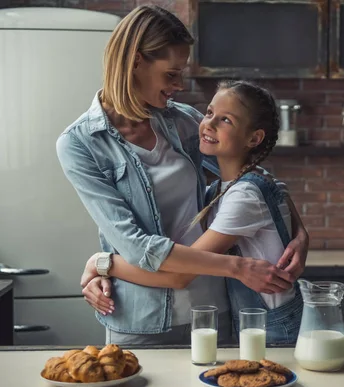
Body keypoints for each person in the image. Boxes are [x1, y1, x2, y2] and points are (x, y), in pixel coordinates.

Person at [55, 5, 308, 345]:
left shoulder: (184, 121)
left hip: (213, 311)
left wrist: (302, 233)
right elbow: (137, 248)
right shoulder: (80, 144)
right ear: (136, 61)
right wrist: (236, 267)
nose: (179, 84)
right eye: (171, 74)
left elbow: (249, 177)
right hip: (139, 321)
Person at [82, 80, 303, 344]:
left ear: (254, 138)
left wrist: (100, 262)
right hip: (254, 323)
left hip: (272, 329)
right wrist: (302, 234)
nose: (208, 124)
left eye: (226, 120)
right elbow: (273, 186)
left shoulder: (243, 196)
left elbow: (180, 274)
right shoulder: (221, 190)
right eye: (209, 113)